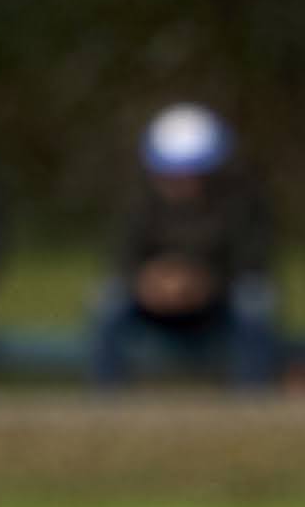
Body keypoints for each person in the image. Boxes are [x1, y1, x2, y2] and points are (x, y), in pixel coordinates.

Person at [89, 105, 278, 390]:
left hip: (218, 302)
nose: (183, 181)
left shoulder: (242, 204)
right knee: (109, 299)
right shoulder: (140, 205)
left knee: (254, 300)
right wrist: (149, 281)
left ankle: (253, 397)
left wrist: (203, 282)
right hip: (154, 301)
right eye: (172, 173)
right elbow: (123, 257)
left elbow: (252, 261)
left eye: (193, 172)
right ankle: (106, 398)